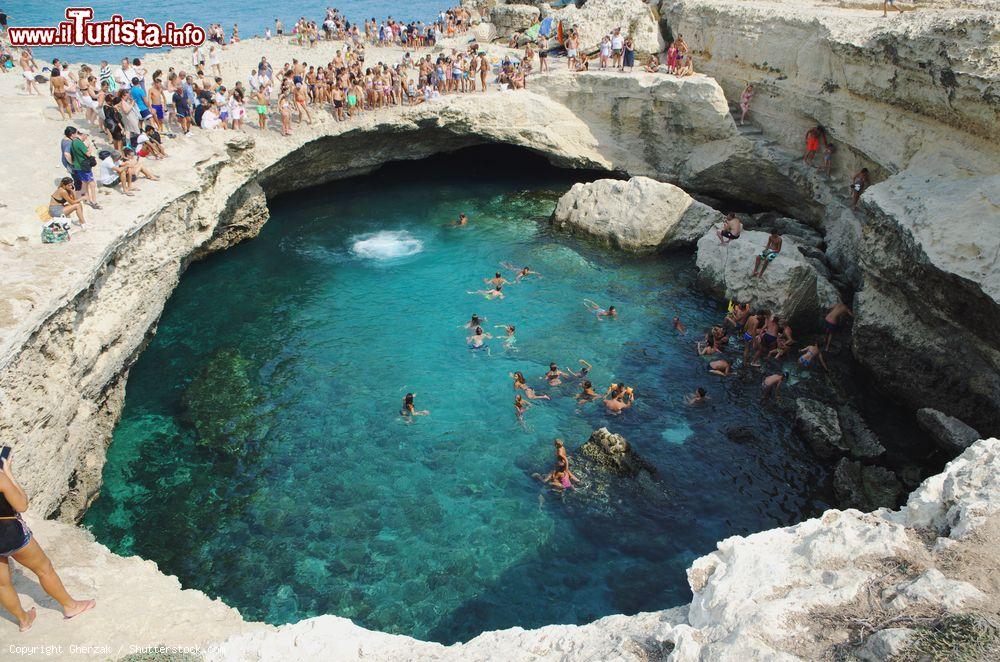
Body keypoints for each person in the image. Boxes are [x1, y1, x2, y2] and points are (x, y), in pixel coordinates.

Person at [0, 449, 96, 632]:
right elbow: (22, 504)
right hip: (10, 534)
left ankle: (24, 620)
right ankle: (70, 606)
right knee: (44, 569)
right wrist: (9, 474)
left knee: (2, 583)